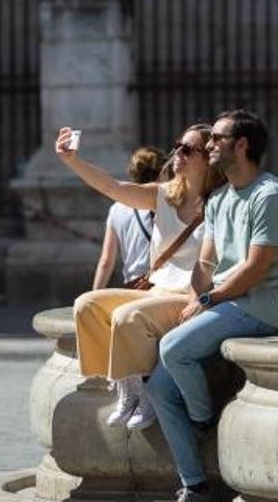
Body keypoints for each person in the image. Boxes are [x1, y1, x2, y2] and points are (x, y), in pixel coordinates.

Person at [145, 109, 278, 502]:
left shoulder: (271, 196)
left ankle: (203, 421)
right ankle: (194, 485)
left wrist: (208, 300)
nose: (209, 145)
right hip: (224, 305)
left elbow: (254, 270)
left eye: (216, 138)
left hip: (258, 308)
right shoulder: (218, 200)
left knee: (172, 348)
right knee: (160, 388)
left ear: (242, 145)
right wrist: (197, 295)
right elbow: (206, 263)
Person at [57, 126, 223, 430]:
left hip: (186, 296)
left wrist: (201, 299)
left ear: (206, 159)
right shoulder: (164, 195)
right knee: (86, 305)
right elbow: (113, 187)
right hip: (156, 289)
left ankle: (148, 390)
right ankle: (128, 386)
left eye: (188, 149)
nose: (178, 154)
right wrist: (72, 161)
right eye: (177, 146)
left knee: (127, 316)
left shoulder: (219, 204)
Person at [92, 146, 166, 291]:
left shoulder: (116, 209)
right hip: (161, 285)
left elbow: (106, 261)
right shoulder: (163, 202)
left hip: (133, 286)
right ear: (161, 172)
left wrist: (94, 295)